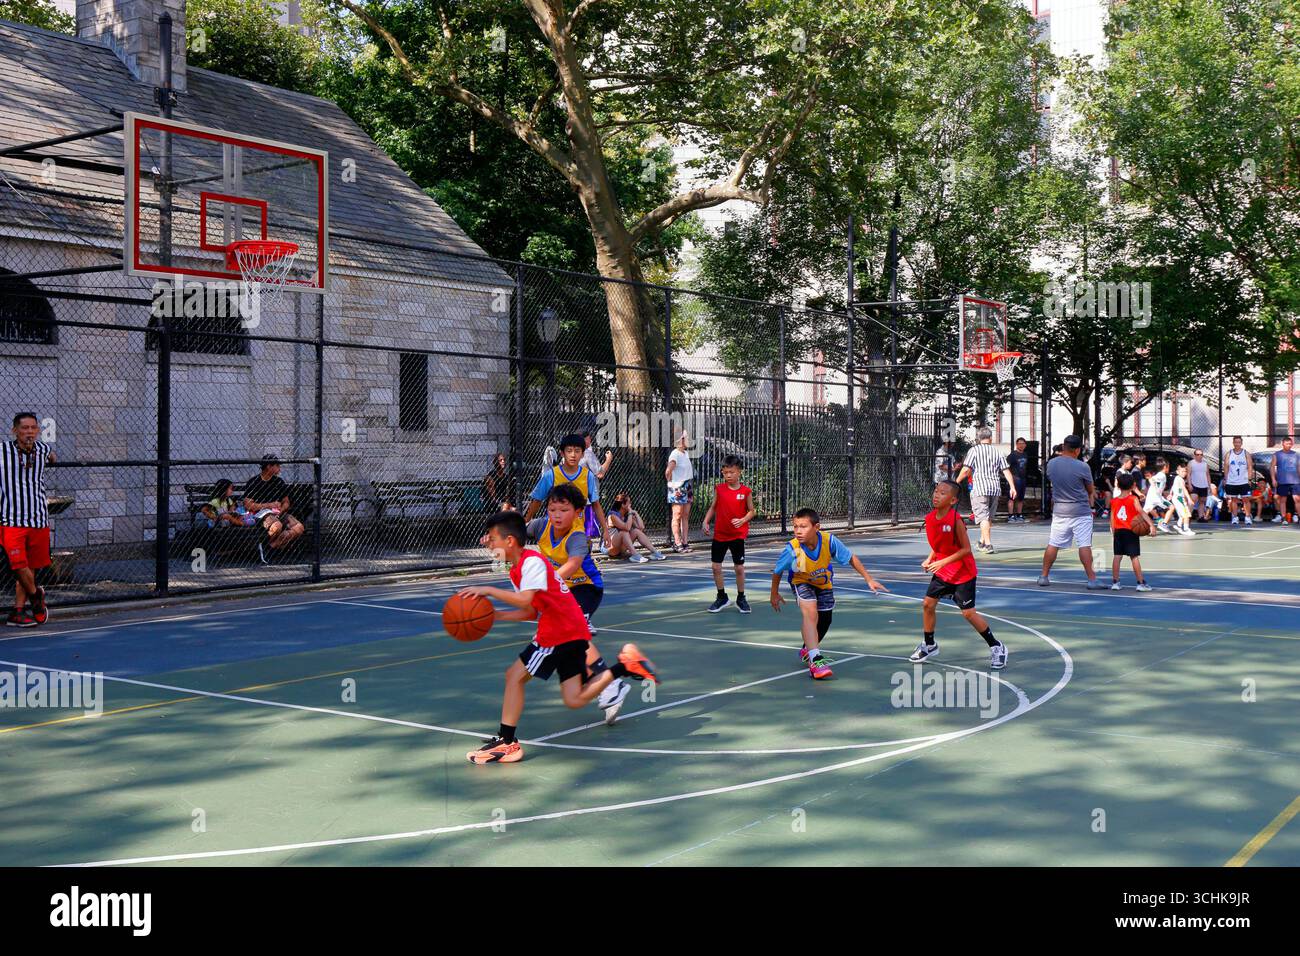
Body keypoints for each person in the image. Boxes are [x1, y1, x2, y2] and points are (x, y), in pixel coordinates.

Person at [459, 510, 659, 764]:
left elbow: (524, 600)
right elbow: (531, 610)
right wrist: (496, 616)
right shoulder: (518, 569)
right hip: (570, 630)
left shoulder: (531, 563)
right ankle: (624, 667)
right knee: (574, 698)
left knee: (514, 677)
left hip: (558, 633)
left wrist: (487, 590)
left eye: (492, 538)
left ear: (509, 541)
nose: (488, 543)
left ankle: (507, 742)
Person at [524, 484, 629, 724]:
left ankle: (609, 682)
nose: (557, 515)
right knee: (564, 638)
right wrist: (499, 530)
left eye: (564, 509)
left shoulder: (578, 536)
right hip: (563, 592)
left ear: (578, 512)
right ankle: (602, 681)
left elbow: (572, 564)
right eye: (552, 509)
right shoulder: (540, 526)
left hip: (587, 588)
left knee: (573, 632)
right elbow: (517, 529)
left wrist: (546, 582)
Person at [770, 507, 888, 680]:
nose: (798, 531)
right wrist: (774, 593)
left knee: (825, 619)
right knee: (810, 614)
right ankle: (816, 659)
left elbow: (850, 558)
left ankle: (807, 649)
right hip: (801, 581)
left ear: (816, 527)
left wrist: (868, 579)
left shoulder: (829, 541)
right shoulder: (792, 549)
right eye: (795, 526)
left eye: (803, 526)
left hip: (823, 582)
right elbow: (777, 571)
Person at [908, 480, 1008, 670]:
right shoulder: (930, 519)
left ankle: (997, 646)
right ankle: (929, 645)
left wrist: (941, 562)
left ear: (952, 500)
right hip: (942, 571)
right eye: (936, 491)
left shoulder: (955, 520)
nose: (937, 495)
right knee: (928, 604)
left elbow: (966, 550)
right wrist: (930, 559)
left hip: (963, 573)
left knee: (968, 613)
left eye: (943, 493)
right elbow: (938, 546)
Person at [1, 412, 56, 627]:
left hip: (38, 518)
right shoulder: (2, 450)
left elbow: (52, 455)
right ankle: (36, 597)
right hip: (11, 519)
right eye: (24, 428)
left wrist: (52, 455)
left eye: (33, 428)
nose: (29, 432)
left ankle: (17, 611)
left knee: (30, 567)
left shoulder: (42, 449)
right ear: (15, 430)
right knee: (18, 565)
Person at [1038, 435, 1106, 589]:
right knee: (1084, 545)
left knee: (1053, 543)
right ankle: (1091, 579)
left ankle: (1044, 576)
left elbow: (1052, 480)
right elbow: (1090, 490)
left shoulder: (1051, 464)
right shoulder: (1082, 467)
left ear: (1063, 446)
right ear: (1077, 450)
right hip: (1080, 510)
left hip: (1060, 510)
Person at [523, 434, 609, 548]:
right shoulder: (551, 475)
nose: (573, 455)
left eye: (577, 451)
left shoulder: (588, 476)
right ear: (562, 453)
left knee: (581, 558)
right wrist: (526, 522)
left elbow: (596, 504)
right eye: (569, 451)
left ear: (582, 454)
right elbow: (537, 500)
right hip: (555, 532)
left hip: (576, 532)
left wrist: (606, 530)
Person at [702, 454, 756, 613]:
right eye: (725, 473)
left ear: (739, 472)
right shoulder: (719, 489)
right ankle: (722, 597)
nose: (728, 475)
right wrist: (706, 521)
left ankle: (741, 598)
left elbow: (752, 511)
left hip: (737, 535)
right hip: (720, 534)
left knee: (739, 568)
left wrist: (743, 520)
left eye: (731, 472)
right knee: (715, 567)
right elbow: (713, 507)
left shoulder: (746, 491)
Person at [954, 426, 1017, 554]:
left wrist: (955, 483)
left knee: (982, 516)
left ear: (978, 438)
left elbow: (966, 470)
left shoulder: (974, 450)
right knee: (987, 517)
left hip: (980, 487)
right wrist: (1012, 487)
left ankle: (988, 544)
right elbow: (1006, 470)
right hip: (994, 488)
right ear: (990, 438)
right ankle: (982, 541)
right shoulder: (997, 451)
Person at [243, 455, 305, 563]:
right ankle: (271, 547)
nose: (279, 469)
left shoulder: (279, 482)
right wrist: (269, 505)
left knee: (299, 527)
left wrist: (282, 509)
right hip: (261, 513)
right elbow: (248, 505)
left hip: (278, 512)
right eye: (277, 466)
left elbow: (286, 501)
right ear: (268, 466)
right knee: (277, 526)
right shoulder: (254, 482)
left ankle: (270, 547)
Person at [1108, 472, 1152, 591]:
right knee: (1134, 557)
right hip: (1130, 531)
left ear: (1118, 485)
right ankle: (1140, 583)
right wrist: (1151, 525)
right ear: (1133, 485)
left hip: (1118, 531)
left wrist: (1113, 530)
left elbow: (1112, 517)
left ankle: (1115, 583)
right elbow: (1142, 512)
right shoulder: (1133, 499)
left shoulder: (1114, 501)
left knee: (1117, 556)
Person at [606, 493, 665, 562]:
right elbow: (627, 528)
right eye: (629, 503)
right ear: (622, 505)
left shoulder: (627, 514)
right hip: (610, 548)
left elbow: (641, 527)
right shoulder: (613, 515)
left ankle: (655, 552)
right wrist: (630, 513)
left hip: (621, 548)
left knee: (636, 531)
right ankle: (635, 555)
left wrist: (636, 514)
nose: (630, 504)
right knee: (624, 532)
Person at [581, 431, 614, 551]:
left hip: (574, 499)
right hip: (588, 499)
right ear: (585, 440)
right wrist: (609, 459)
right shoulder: (587, 454)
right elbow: (600, 473)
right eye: (589, 439)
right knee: (586, 533)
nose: (590, 441)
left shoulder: (569, 455)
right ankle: (585, 558)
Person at [665, 430, 695, 553]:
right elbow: (668, 471)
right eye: (685, 438)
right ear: (680, 440)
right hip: (678, 487)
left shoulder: (685, 453)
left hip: (687, 485)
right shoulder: (675, 454)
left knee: (685, 515)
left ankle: (685, 542)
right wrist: (673, 485)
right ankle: (677, 543)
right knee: (677, 515)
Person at [1223, 436, 1255, 526]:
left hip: (1243, 481)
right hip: (1232, 481)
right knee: (1234, 500)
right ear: (1233, 443)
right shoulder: (1229, 454)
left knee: (1246, 499)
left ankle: (1248, 517)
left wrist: (1249, 479)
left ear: (1241, 443)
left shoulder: (1246, 453)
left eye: (1239, 442)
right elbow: (1226, 466)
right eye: (1235, 442)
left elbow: (1250, 466)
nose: (1237, 444)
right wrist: (1226, 478)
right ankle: (1235, 517)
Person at [1161, 461, 1196, 536]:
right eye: (1182, 471)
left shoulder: (1177, 478)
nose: (1184, 473)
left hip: (1178, 498)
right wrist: (1189, 499)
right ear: (1177, 472)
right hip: (1179, 498)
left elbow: (1173, 487)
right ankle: (1186, 529)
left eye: (1185, 471)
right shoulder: (1179, 479)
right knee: (1186, 514)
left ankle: (1178, 526)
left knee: (1182, 515)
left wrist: (1170, 494)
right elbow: (1184, 489)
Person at [1271, 435, 1299, 524]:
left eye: (1290, 444)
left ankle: (1298, 517)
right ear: (1282, 444)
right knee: (1283, 499)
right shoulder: (1277, 454)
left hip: (1295, 481)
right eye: (1287, 444)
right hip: (1282, 481)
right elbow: (1272, 467)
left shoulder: (1296, 454)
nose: (1289, 445)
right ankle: (1283, 518)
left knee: (1297, 499)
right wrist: (1273, 479)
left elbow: (1299, 468)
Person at [1006, 437, 1029, 523]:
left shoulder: (1025, 455)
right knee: (1012, 498)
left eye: (1023, 444)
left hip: (1022, 479)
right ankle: (1010, 515)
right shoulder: (1012, 455)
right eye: (1019, 443)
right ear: (1016, 445)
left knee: (1021, 498)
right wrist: (1010, 478)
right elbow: (1006, 467)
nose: (1021, 445)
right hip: (1014, 479)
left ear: (1025, 445)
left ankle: (1019, 515)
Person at [1188, 449, 1211, 521]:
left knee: (1202, 501)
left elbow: (1207, 475)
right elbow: (1188, 474)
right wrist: (1189, 484)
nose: (1199, 456)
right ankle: (1188, 516)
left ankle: (1201, 517)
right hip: (1194, 484)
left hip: (1204, 485)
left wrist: (1209, 486)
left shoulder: (1205, 464)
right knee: (1193, 500)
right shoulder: (1191, 463)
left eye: (1201, 454)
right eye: (1198, 454)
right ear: (1194, 455)